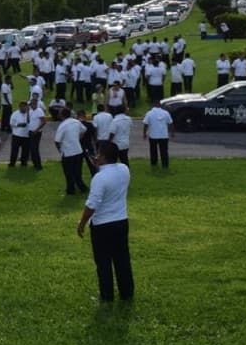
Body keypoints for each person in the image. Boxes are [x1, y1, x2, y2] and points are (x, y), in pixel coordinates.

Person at [76, 142, 134, 302]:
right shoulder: (124, 169)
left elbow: (92, 205)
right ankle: (127, 292)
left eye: (98, 153)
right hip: (121, 221)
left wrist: (81, 223)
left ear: (102, 157)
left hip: (102, 225)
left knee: (103, 261)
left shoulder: (99, 178)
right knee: (122, 258)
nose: (95, 155)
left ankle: (107, 295)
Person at [54, 108, 89, 195]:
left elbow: (57, 141)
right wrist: (78, 138)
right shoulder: (76, 122)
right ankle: (82, 188)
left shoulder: (63, 125)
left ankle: (70, 190)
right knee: (77, 172)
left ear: (62, 115)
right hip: (78, 151)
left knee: (68, 173)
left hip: (68, 153)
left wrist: (60, 149)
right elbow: (84, 130)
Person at [142, 100, 174, 168]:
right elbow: (171, 123)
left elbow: (145, 124)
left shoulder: (149, 113)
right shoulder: (166, 113)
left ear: (153, 105)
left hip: (153, 135)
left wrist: (144, 134)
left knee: (153, 151)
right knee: (164, 151)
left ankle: (154, 164)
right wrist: (172, 133)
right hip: (164, 135)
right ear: (160, 105)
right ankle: (165, 165)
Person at [8, 101, 30, 167]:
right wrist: (18, 124)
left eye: (24, 107)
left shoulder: (30, 114)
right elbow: (11, 123)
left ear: (27, 107)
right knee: (14, 150)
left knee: (25, 150)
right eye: (21, 107)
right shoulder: (15, 114)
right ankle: (12, 163)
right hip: (16, 135)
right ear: (19, 107)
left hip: (26, 135)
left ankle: (24, 163)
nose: (23, 108)